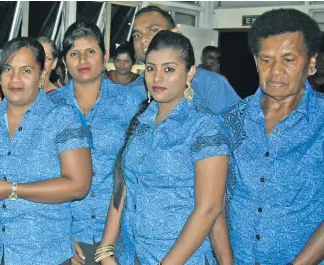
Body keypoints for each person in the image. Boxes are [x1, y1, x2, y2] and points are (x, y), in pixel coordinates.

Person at [97, 31, 232, 265]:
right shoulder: (140, 122)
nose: (157, 78)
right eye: (151, 68)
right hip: (130, 255)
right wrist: (106, 251)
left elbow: (209, 208)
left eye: (169, 69)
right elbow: (124, 185)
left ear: (190, 73)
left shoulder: (204, 128)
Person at [0, 36, 93, 265]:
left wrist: (13, 189)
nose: (15, 79)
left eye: (26, 71)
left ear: (41, 76)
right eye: (8, 69)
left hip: (43, 253)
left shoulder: (62, 118)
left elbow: (79, 185)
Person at [223, 9, 324, 265]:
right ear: (256, 62)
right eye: (266, 60)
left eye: (288, 60)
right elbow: (215, 201)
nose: (276, 71)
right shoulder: (231, 120)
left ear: (311, 64)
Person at [48, 21, 144, 265]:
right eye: (74, 54)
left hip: (121, 239)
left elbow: (139, 170)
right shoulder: (48, 108)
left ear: (105, 56)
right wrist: (57, 235)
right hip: (66, 239)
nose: (83, 60)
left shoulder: (132, 103)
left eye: (90, 51)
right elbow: (39, 173)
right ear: (64, 62)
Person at [130, 6, 240, 114]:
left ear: (175, 33)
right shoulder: (131, 91)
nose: (143, 39)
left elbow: (239, 128)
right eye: (137, 35)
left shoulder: (209, 84)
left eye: (153, 30)